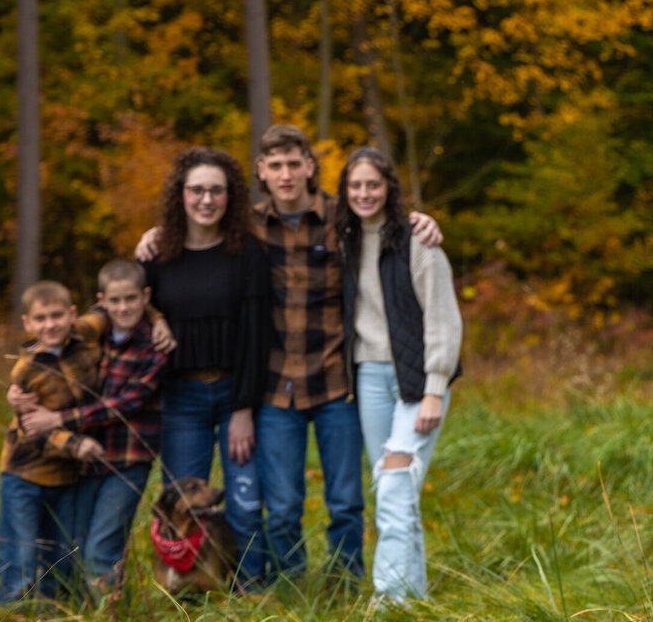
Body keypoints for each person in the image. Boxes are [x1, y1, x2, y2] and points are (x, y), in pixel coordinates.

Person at [136, 125, 442, 582]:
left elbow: (381, 215)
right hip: (275, 388)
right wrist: (159, 232)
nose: (285, 173)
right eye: (275, 165)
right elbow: (200, 225)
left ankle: (343, 582)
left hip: (335, 382)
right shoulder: (250, 227)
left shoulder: (343, 220)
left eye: (294, 163)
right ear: (261, 171)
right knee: (280, 506)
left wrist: (422, 220)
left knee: (345, 501)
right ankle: (290, 585)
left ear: (310, 167)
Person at [335, 147, 462, 600]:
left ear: (388, 187)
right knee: (395, 492)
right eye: (355, 185)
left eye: (373, 184)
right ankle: (413, 599)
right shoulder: (343, 240)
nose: (364, 193)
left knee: (392, 489)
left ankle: (387, 599)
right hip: (368, 377)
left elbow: (443, 318)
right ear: (345, 192)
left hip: (416, 381)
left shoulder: (416, 239)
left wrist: (434, 388)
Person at [142, 146, 272, 587]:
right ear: (181, 195)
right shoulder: (158, 256)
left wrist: (243, 409)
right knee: (184, 507)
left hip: (236, 396)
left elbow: (257, 336)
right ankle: (187, 594)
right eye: (196, 190)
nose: (206, 200)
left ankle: (251, 593)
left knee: (245, 504)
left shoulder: (248, 254)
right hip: (181, 402)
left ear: (230, 197)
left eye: (217, 191)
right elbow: (134, 313)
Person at [13, 259, 170, 596]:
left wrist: (58, 421)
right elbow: (41, 345)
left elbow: (127, 402)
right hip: (85, 459)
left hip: (128, 459)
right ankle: (80, 609)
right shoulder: (87, 334)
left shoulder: (154, 344)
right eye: (115, 301)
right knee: (74, 544)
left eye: (131, 299)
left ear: (145, 297)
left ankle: (111, 612)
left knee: (102, 548)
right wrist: (17, 389)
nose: (123, 307)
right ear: (102, 300)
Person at [0, 280, 107, 604]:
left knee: (61, 548)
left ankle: (55, 607)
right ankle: (15, 608)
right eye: (41, 318)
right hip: (24, 473)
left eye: (57, 315)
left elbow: (110, 306)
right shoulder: (26, 371)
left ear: (73, 314)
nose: (51, 325)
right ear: (28, 323)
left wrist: (157, 321)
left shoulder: (86, 333)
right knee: (22, 548)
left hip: (66, 476)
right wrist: (76, 444)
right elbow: (33, 428)